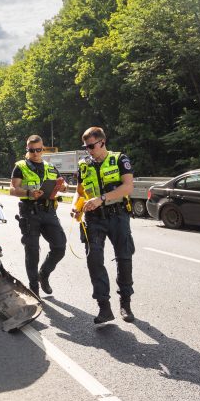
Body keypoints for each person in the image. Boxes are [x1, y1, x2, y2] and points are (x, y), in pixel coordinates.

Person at [73, 127, 136, 324]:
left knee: (124, 258)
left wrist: (102, 198)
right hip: (93, 219)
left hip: (117, 216)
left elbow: (128, 187)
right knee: (94, 261)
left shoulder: (119, 159)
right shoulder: (84, 165)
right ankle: (104, 307)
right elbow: (80, 191)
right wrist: (77, 206)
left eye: (91, 146)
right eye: (86, 147)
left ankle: (125, 303)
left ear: (102, 142)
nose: (89, 150)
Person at [9, 135, 66, 297]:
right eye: (32, 150)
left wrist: (63, 188)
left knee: (59, 247)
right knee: (32, 251)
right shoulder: (20, 167)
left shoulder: (50, 167)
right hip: (29, 212)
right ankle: (34, 289)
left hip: (48, 212)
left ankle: (44, 274)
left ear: (43, 149)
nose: (35, 153)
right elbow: (13, 189)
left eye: (38, 150)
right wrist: (29, 192)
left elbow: (61, 183)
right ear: (27, 150)